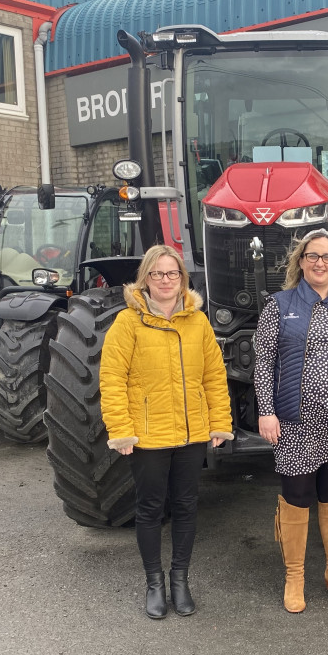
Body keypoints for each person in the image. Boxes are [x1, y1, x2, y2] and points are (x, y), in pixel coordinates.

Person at [99, 245, 233, 619]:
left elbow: (213, 377)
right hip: (148, 436)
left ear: (182, 279)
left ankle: (180, 579)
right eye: (157, 274)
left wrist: (220, 422)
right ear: (145, 279)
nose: (165, 281)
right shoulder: (128, 323)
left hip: (191, 435)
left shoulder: (198, 322)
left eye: (172, 274)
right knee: (150, 509)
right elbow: (111, 379)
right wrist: (121, 430)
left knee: (187, 506)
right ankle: (154, 583)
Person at [253, 228, 328, 613]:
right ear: (301, 262)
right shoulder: (279, 305)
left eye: (327, 257)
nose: (320, 263)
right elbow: (264, 362)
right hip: (295, 421)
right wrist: (266, 410)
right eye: (313, 256)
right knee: (296, 497)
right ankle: (294, 576)